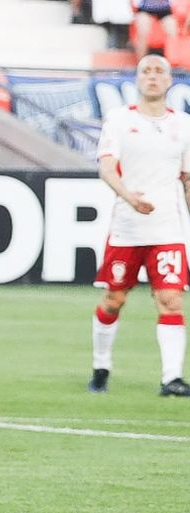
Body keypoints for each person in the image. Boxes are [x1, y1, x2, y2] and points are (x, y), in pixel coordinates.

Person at [89, 54, 190, 397]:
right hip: (127, 228)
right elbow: (106, 167)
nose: (152, 76)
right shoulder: (118, 120)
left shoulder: (184, 125)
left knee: (171, 300)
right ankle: (101, 366)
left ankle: (171, 378)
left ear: (169, 81)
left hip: (167, 229)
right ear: (136, 80)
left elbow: (187, 179)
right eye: (145, 70)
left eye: (159, 71)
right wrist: (128, 196)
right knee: (113, 299)